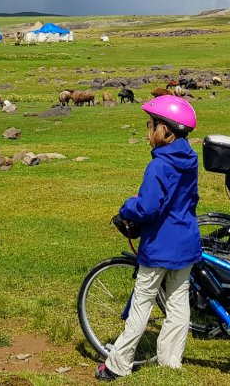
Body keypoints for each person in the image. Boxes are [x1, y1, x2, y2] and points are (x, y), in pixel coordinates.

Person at [97, 95, 201, 381]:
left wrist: (127, 206)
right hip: (186, 240)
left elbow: (147, 207)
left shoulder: (158, 165)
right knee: (179, 303)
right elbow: (191, 197)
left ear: (165, 130)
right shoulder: (190, 160)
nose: (148, 129)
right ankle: (170, 363)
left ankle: (118, 364)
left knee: (142, 303)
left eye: (151, 124)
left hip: (160, 245)